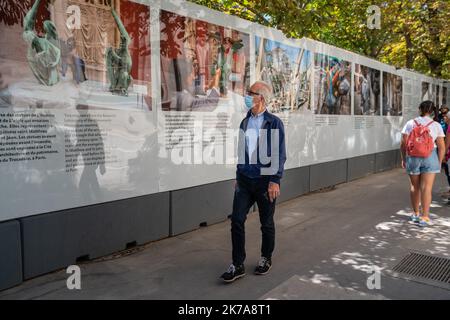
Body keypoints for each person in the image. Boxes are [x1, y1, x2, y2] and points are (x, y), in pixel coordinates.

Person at [221, 81, 286, 283]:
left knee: (266, 223)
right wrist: (238, 175)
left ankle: (266, 258)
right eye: (248, 92)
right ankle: (237, 264)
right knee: (237, 220)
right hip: (245, 182)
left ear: (262, 98)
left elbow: (279, 154)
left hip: (265, 182)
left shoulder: (274, 123)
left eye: (251, 93)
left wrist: (275, 181)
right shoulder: (244, 122)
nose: (247, 96)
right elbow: (242, 152)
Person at [400, 100, 446, 227]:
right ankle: (425, 217)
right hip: (430, 156)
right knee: (427, 188)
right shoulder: (436, 125)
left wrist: (404, 159)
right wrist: (438, 161)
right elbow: (441, 147)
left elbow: (403, 144)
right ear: (432, 111)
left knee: (415, 187)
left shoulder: (410, 123)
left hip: (413, 157)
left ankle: (415, 213)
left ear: (419, 109)